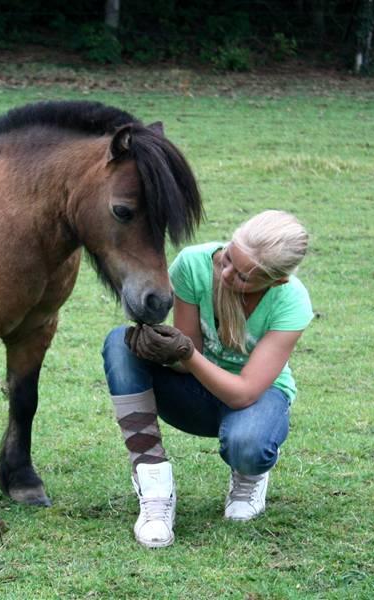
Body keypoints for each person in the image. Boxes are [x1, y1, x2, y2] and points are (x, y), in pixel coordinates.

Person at [102, 210, 313, 548]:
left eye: (242, 276)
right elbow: (188, 361)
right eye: (227, 258)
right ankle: (154, 487)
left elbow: (243, 394)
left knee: (248, 444)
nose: (226, 273)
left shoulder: (292, 301)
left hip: (255, 399)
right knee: (120, 343)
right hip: (195, 393)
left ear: (276, 281)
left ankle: (249, 474)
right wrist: (165, 350)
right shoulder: (194, 264)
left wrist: (185, 354)